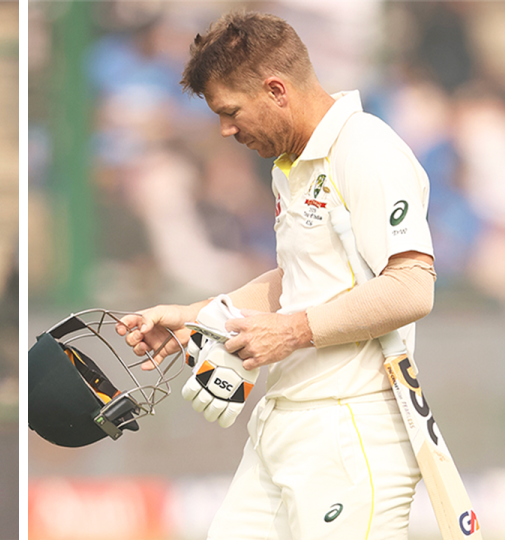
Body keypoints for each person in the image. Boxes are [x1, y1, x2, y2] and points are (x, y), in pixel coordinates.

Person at [117, 11, 436, 539]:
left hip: (351, 434)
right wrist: (193, 319)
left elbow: (411, 287)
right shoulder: (290, 164)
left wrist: (291, 332)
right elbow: (297, 282)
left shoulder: (366, 150)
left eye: (230, 111)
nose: (225, 129)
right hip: (281, 425)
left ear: (276, 89)